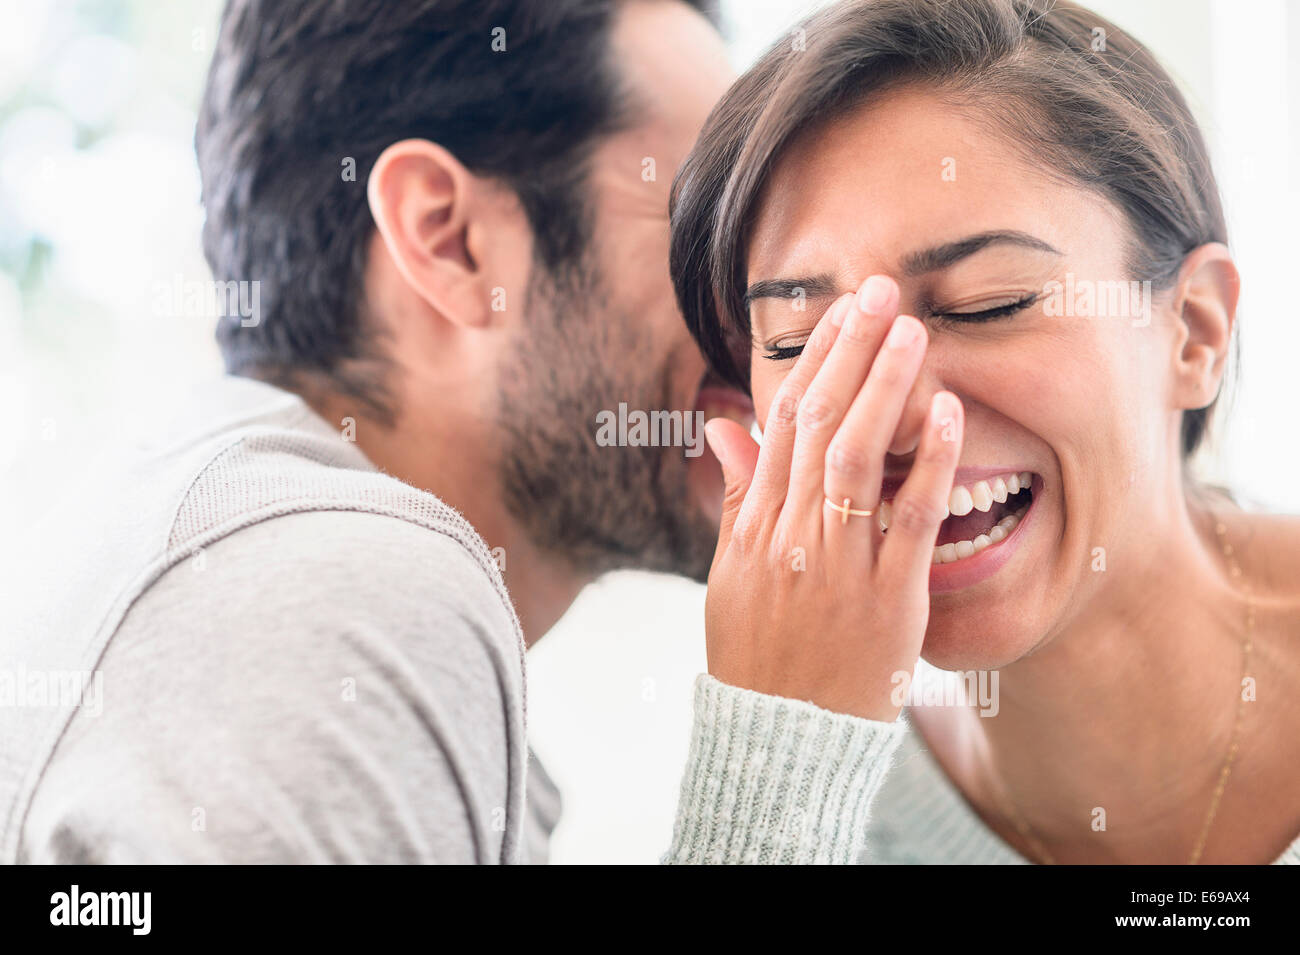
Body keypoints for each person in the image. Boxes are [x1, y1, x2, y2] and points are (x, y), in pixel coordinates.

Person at [1, 0, 896, 865]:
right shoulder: (329, 592)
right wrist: (787, 758)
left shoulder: (236, 557)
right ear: (448, 237)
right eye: (704, 229)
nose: (771, 314)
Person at [672, 0, 1300, 863]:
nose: (884, 418)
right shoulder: (809, 803)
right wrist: (778, 754)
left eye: (987, 305)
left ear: (1194, 330)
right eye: (798, 342)